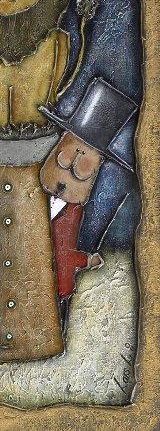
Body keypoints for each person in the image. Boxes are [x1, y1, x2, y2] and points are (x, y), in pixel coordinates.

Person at [39, 77, 140, 334]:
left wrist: (84, 260)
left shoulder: (75, 213)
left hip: (56, 290)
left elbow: (63, 251)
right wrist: (86, 260)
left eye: (82, 172)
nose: (66, 177)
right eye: (63, 161)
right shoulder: (28, 195)